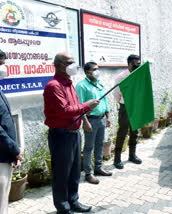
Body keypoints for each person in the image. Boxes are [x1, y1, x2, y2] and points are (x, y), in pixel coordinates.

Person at [43, 52, 100, 214]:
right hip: (61, 135)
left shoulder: (69, 83)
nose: (73, 65)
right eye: (69, 62)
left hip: (74, 134)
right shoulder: (54, 86)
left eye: (74, 62)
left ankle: (73, 201)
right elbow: (65, 111)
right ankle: (63, 207)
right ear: (59, 65)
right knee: (62, 174)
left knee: (75, 172)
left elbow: (76, 107)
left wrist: (85, 120)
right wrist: (87, 106)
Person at [75, 62, 112, 185]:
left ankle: (98, 167)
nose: (97, 71)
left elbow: (105, 101)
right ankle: (88, 173)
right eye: (94, 69)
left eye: (98, 69)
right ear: (87, 72)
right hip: (90, 120)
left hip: (101, 119)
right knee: (89, 147)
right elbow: (80, 106)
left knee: (99, 144)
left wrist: (108, 116)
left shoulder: (99, 84)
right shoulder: (82, 86)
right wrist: (85, 122)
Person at [0, 49, 24, 214]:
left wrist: (14, 153)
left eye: (3, 63)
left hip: (5, 154)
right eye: (0, 63)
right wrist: (15, 150)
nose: (3, 67)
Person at [113, 54, 142, 169]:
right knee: (122, 132)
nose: (138, 65)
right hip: (125, 107)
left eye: (139, 63)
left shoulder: (139, 75)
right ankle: (117, 158)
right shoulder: (122, 76)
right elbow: (116, 93)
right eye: (136, 63)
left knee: (135, 132)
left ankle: (132, 155)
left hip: (136, 107)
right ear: (130, 63)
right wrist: (122, 102)